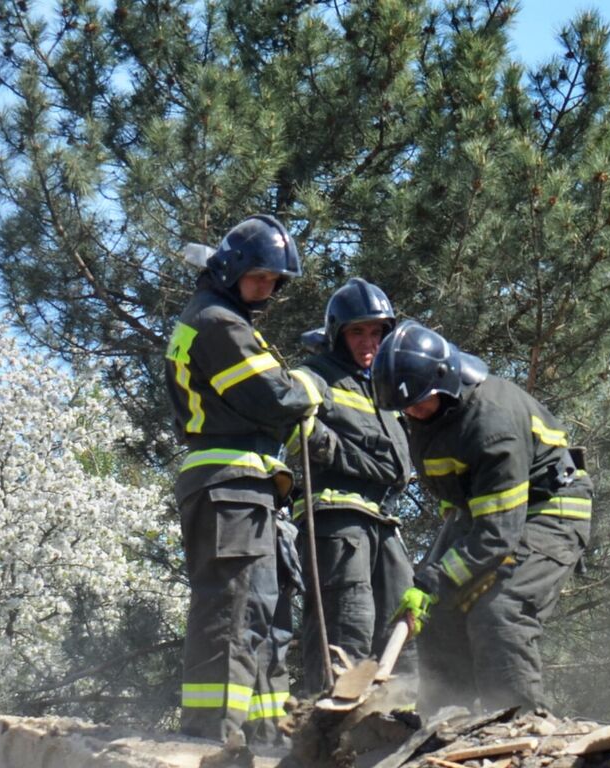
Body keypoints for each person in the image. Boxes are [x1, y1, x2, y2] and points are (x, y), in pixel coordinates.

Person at [373, 321, 591, 713]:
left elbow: (496, 533)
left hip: (550, 511)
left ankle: (516, 724)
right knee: (439, 612)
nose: (412, 412)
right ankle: (440, 721)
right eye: (404, 407)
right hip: (494, 515)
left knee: (500, 610)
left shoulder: (491, 426)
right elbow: (462, 512)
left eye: (420, 401)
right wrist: (430, 580)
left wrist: (436, 575)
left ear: (446, 381)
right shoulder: (430, 416)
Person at [163, 214, 319, 745]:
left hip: (248, 489)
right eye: (259, 278)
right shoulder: (219, 324)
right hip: (228, 484)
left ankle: (267, 737)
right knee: (231, 612)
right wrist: (308, 388)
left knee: (267, 616)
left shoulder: (224, 318)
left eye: (275, 281)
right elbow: (276, 400)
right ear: (229, 270)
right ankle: (210, 736)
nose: (268, 290)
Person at [287, 278, 415, 693]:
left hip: (381, 522)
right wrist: (330, 446)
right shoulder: (315, 375)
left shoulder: (381, 387)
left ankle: (395, 729)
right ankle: (329, 727)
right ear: (337, 335)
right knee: (348, 624)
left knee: (405, 627)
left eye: (377, 332)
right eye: (357, 331)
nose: (368, 342)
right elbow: (284, 412)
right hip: (338, 524)